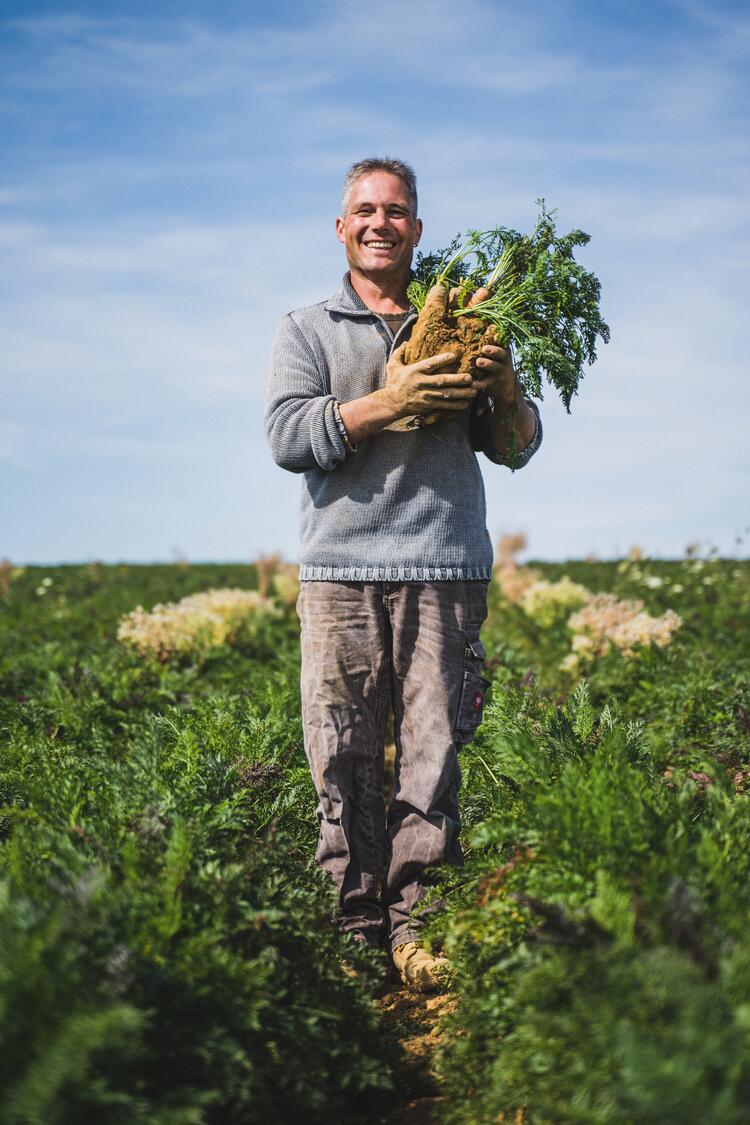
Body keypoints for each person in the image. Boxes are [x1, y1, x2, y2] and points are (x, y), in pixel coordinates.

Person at [264, 157, 542, 991]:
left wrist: (505, 385)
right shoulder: (306, 329)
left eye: (397, 210)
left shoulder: (470, 325)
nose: (380, 221)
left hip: (444, 568)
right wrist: (392, 399)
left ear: (416, 228)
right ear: (341, 226)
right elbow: (285, 435)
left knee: (432, 756)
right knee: (341, 753)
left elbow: (518, 445)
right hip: (340, 572)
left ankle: (418, 928)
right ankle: (353, 931)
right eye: (364, 209)